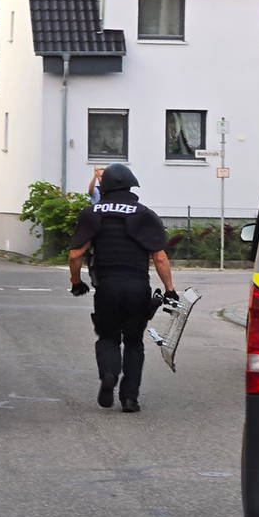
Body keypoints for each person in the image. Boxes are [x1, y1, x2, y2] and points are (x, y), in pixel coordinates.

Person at [68, 163, 177, 413]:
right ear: (131, 185)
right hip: (138, 288)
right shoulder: (144, 214)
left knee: (108, 337)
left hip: (107, 287)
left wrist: (76, 282)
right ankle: (129, 398)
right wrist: (169, 289)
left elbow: (76, 255)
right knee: (134, 342)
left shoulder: (93, 212)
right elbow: (159, 257)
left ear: (104, 187)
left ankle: (108, 374)